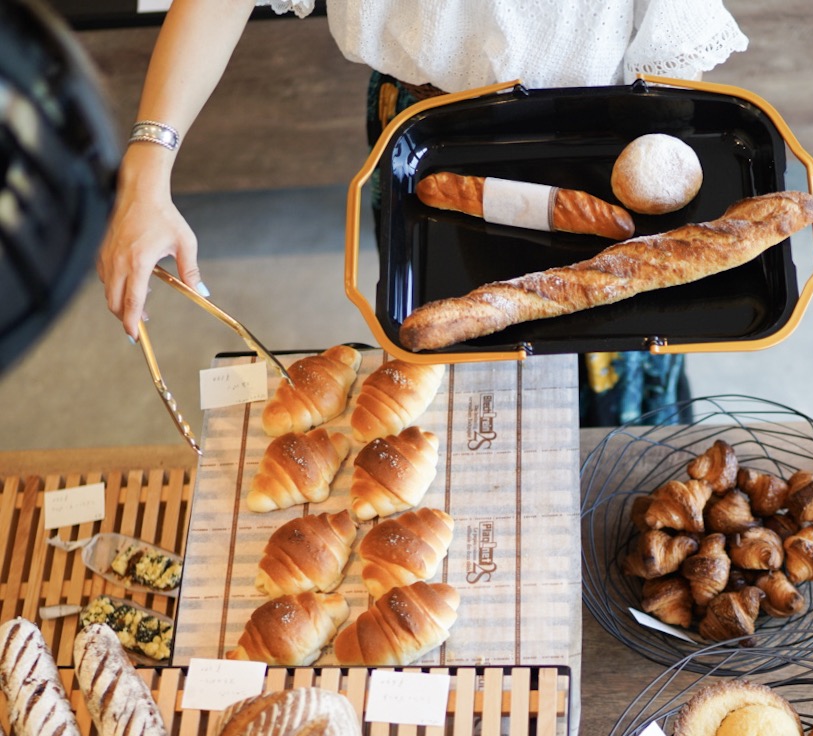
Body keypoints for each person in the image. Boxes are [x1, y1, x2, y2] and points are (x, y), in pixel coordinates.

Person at [96, 0, 748, 423]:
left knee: (614, 349)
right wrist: (147, 163)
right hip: (422, 139)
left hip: (602, 142)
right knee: (447, 345)